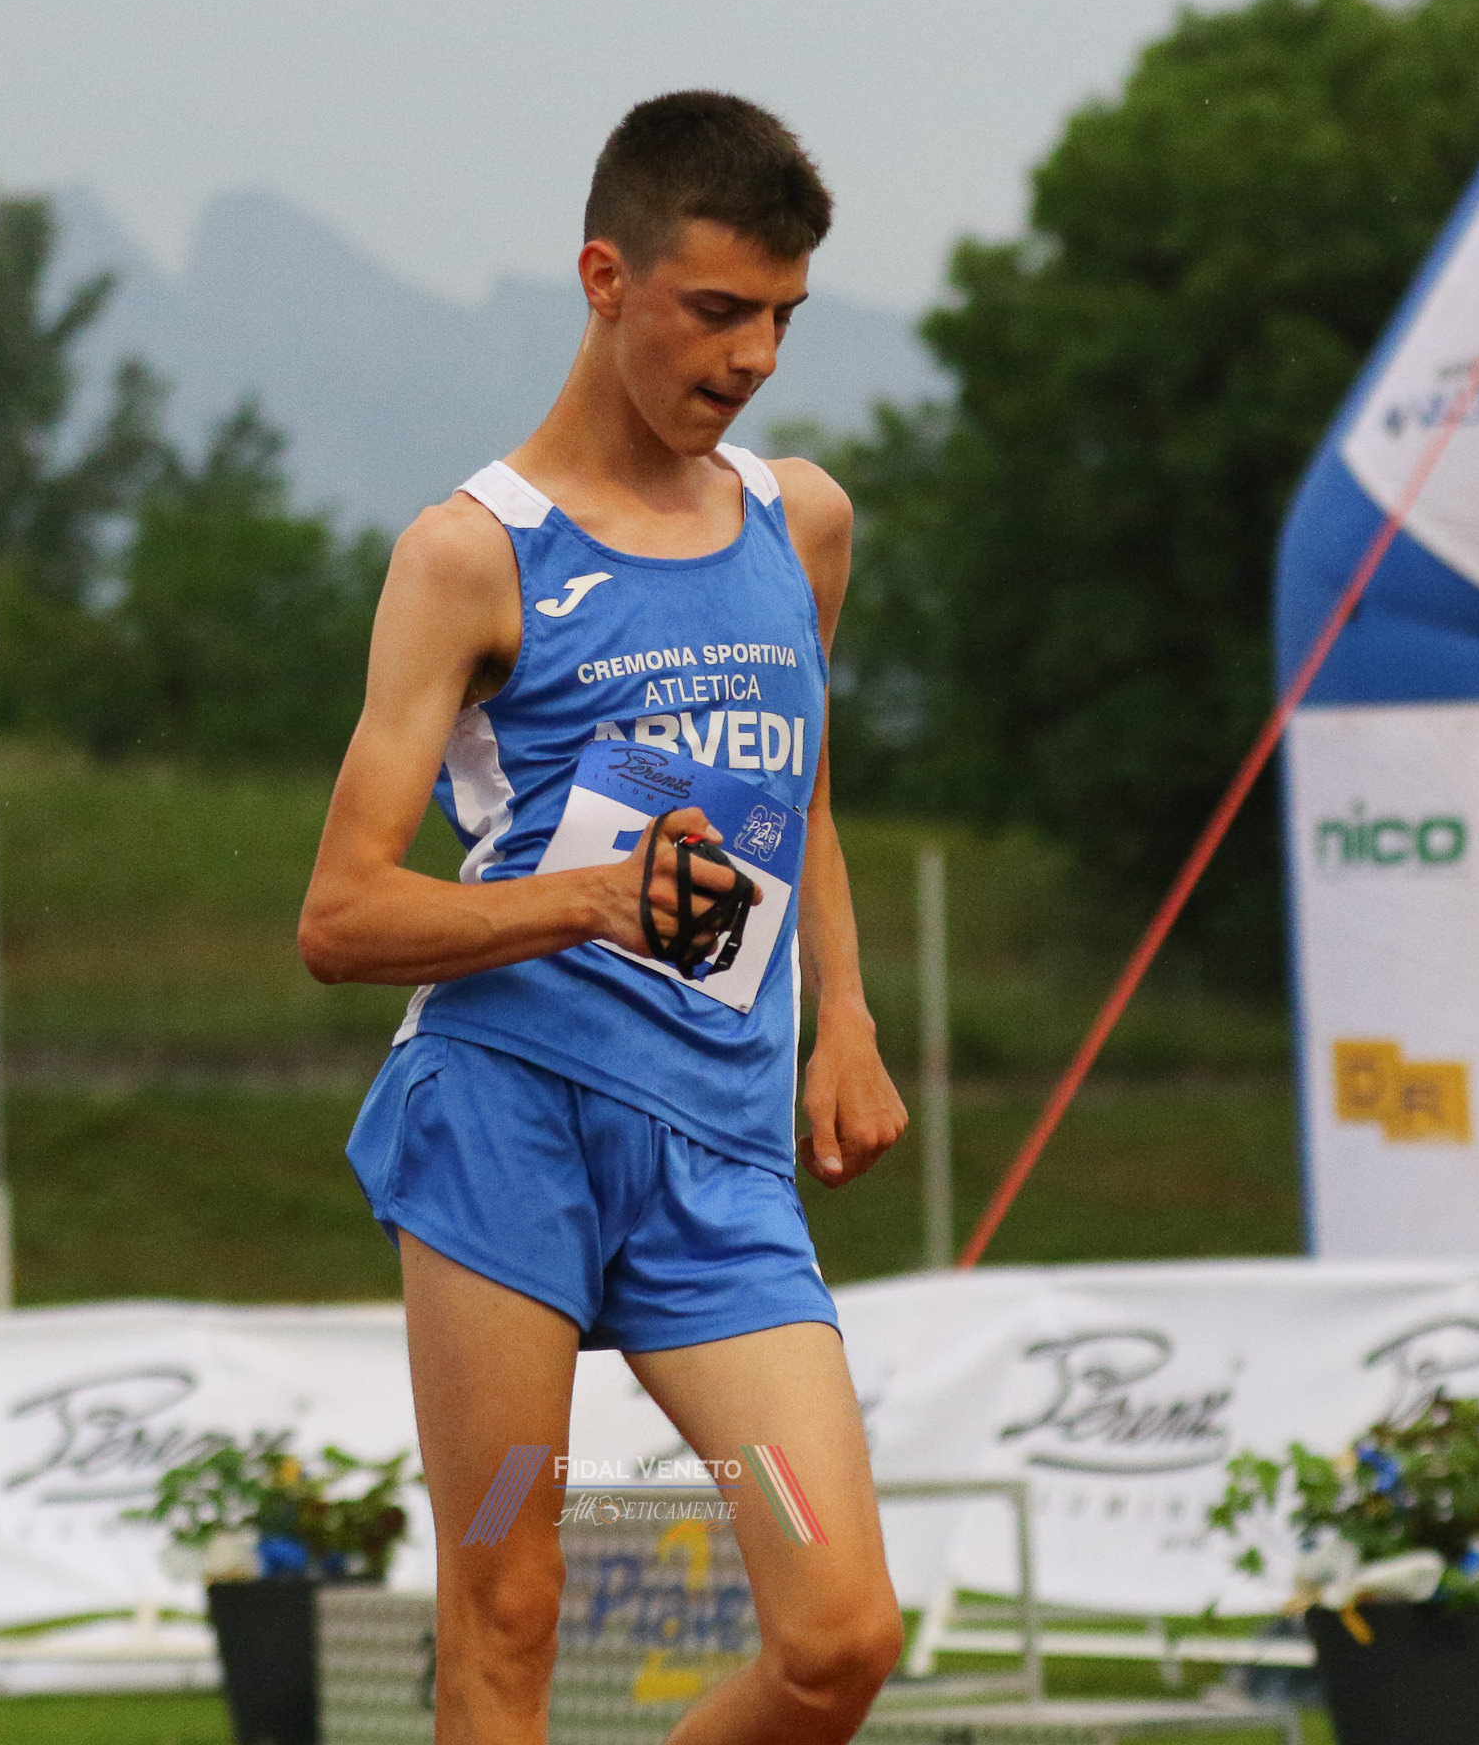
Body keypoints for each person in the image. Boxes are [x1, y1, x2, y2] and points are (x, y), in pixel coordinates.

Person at [298, 91, 910, 1745]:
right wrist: (598, 900)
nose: (751, 356)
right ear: (605, 277)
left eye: (782, 316)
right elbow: (340, 916)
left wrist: (845, 1016)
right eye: (715, 309)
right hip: (508, 1129)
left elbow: (804, 789)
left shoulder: (802, 522)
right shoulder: (469, 556)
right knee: (508, 1610)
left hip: (721, 1164)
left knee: (839, 1637)